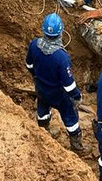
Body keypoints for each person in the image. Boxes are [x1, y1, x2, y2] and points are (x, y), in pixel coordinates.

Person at [26, 13, 84, 153]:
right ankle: (76, 146)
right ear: (60, 32)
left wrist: (36, 76)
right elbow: (68, 85)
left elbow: (29, 64)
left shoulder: (34, 45)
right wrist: (76, 96)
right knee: (70, 117)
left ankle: (43, 132)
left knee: (43, 110)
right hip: (59, 94)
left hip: (41, 88)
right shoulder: (61, 57)